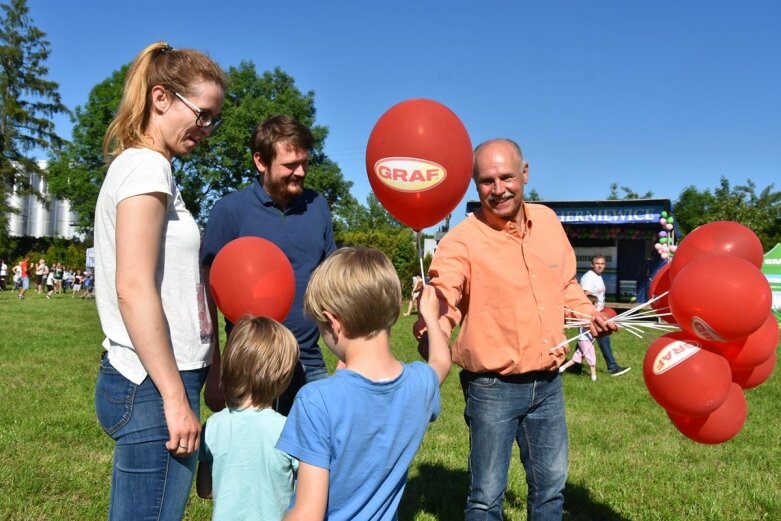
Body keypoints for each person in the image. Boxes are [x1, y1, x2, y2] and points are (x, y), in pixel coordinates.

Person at [413, 138, 616, 520]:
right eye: (487, 181)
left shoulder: (549, 223)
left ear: (524, 173)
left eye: (506, 177)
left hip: (549, 383)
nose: (498, 189)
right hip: (492, 388)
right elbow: (445, 295)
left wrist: (589, 314)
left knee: (551, 488)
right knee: (486, 497)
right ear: (476, 185)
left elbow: (566, 284)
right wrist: (432, 328)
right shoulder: (461, 240)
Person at [92, 41, 225, 520]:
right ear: (161, 98)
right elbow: (133, 286)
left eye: (215, 119)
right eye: (203, 114)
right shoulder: (147, 167)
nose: (207, 129)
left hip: (155, 379)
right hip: (153, 384)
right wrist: (174, 397)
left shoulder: (150, 167)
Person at [277, 247, 450, 520]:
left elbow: (307, 514)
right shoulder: (419, 385)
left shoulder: (315, 401)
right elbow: (441, 362)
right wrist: (430, 315)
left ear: (334, 323)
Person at [201, 115, 337, 415]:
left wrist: (346, 357)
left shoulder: (318, 206)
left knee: (315, 459)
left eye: (304, 163)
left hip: (308, 364)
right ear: (260, 161)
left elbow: (333, 283)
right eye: (290, 165)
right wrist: (215, 370)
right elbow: (207, 293)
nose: (300, 172)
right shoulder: (229, 211)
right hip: (250, 369)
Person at [197, 315, 299, 520]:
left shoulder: (213, 425)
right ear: (283, 375)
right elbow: (306, 493)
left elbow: (204, 489)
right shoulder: (288, 430)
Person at [580, 255, 631, 376]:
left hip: (599, 313)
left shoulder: (598, 276)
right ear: (592, 265)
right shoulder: (589, 277)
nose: (600, 266)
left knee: (584, 340)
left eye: (602, 264)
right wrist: (593, 314)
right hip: (593, 316)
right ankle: (612, 367)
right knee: (603, 338)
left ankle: (575, 366)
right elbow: (586, 297)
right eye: (597, 263)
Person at [559, 295, 600, 381]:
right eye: (596, 303)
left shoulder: (588, 315)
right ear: (591, 304)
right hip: (585, 340)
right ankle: (594, 377)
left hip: (584, 340)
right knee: (591, 357)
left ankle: (561, 368)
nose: (597, 305)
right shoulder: (586, 316)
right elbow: (586, 325)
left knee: (577, 358)